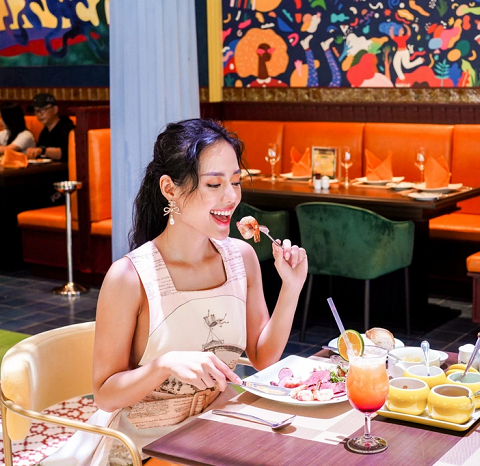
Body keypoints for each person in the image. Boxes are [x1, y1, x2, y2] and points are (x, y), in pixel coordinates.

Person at [42, 119, 308, 465]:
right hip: (142, 448)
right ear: (169, 189)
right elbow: (105, 395)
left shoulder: (242, 258)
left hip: (215, 432)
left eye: (236, 182)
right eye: (214, 184)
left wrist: (291, 287)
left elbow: (263, 357)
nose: (231, 197)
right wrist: (163, 365)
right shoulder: (129, 277)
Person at [26, 93, 76, 162]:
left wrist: (43, 150)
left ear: (55, 109)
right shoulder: (44, 133)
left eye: (43, 109)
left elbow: (68, 152)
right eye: (36, 111)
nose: (39, 114)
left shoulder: (68, 129)